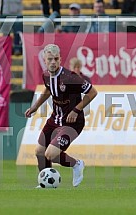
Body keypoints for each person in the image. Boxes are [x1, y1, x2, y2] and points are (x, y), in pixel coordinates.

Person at [25, 44, 97, 187]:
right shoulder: (46, 75)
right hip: (55, 119)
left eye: (56, 59)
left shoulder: (70, 78)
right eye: (50, 59)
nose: (53, 62)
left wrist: (76, 110)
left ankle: (77, 164)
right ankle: (45, 183)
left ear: (60, 59)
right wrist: (35, 107)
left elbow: (93, 92)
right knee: (40, 151)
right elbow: (48, 90)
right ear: (44, 60)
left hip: (72, 122)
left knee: (51, 154)